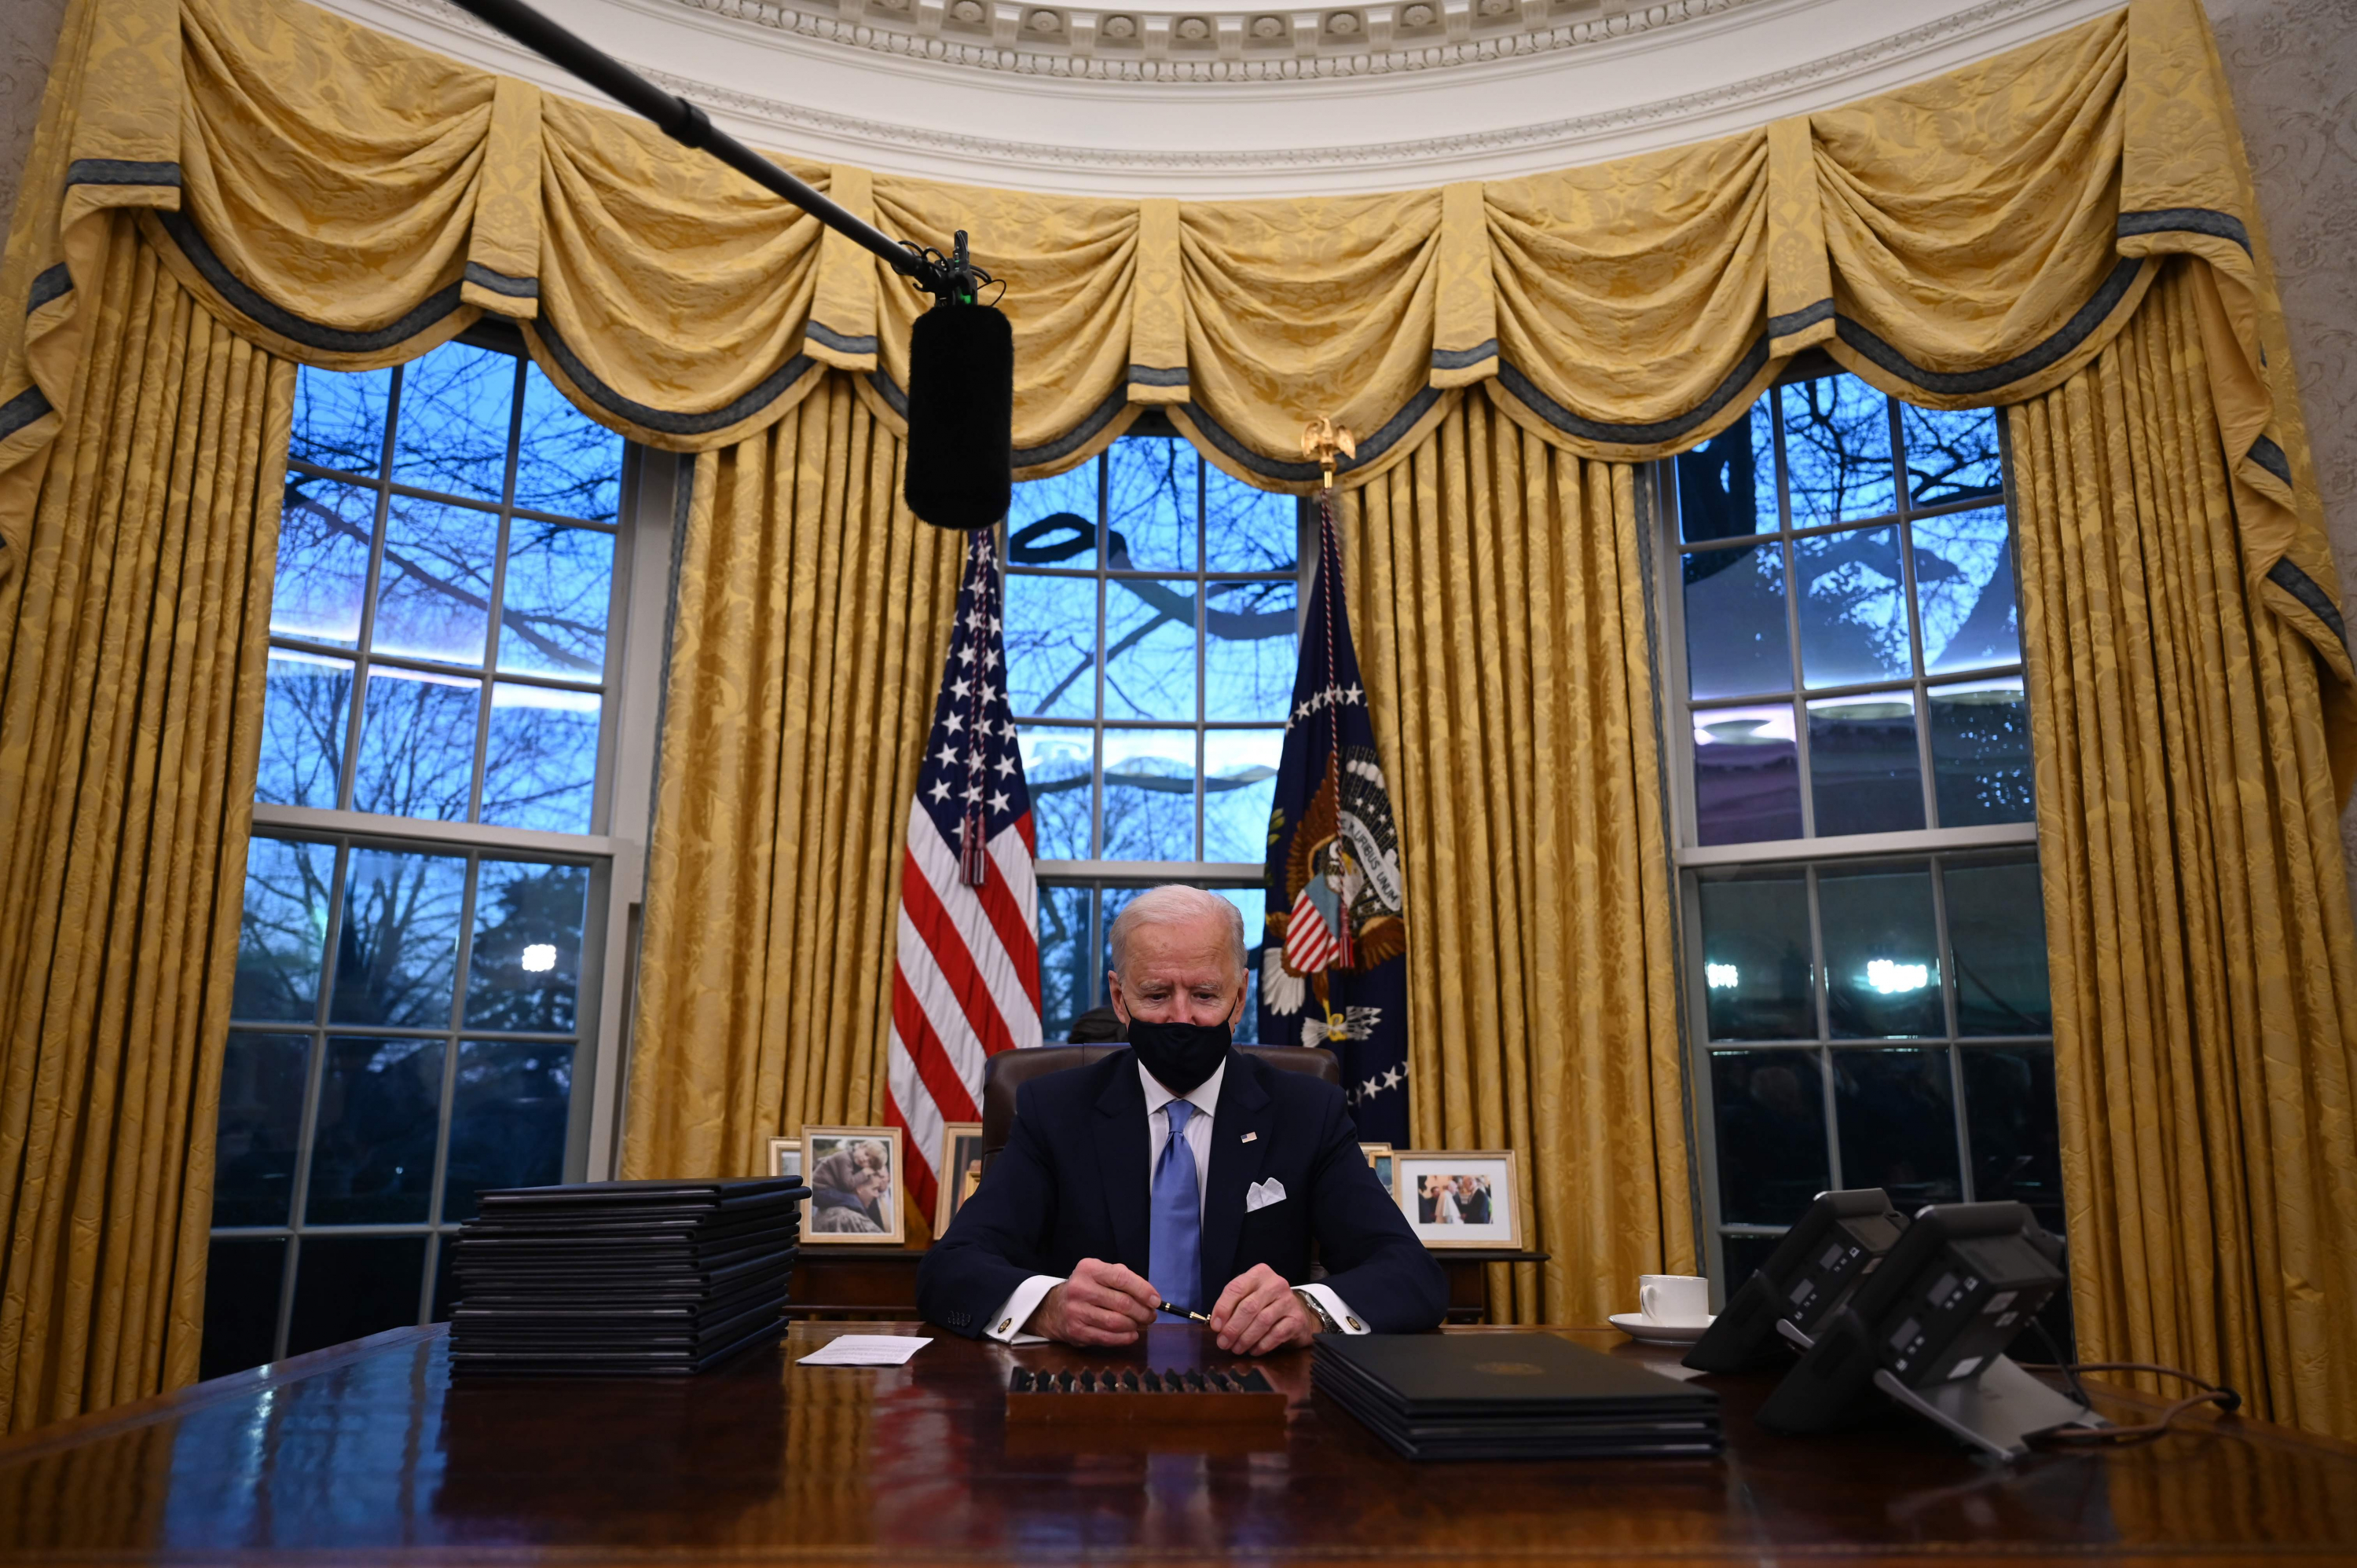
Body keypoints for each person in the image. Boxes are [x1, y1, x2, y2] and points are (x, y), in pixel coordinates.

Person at [918, 885, 1446, 1354]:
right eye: (1155, 994)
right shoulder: (1054, 1111)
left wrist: (1309, 1310)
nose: (1180, 1017)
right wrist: (1047, 1306)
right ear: (1120, 999)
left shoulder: (1307, 1112)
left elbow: (1411, 1275)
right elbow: (950, 1269)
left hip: (1256, 1402)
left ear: (1239, 999)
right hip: (1091, 1401)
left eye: (1204, 994)